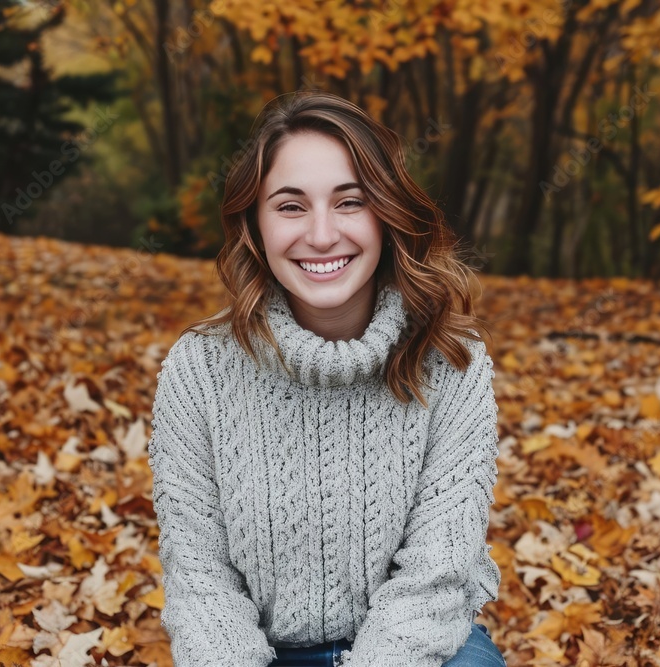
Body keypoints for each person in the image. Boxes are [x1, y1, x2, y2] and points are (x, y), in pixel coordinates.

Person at [147, 90, 506, 667]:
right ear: (255, 224)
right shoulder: (200, 370)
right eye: (290, 206)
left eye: (350, 202)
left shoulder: (451, 362)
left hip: (416, 650)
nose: (320, 235)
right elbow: (200, 581)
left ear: (387, 213)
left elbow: (435, 578)